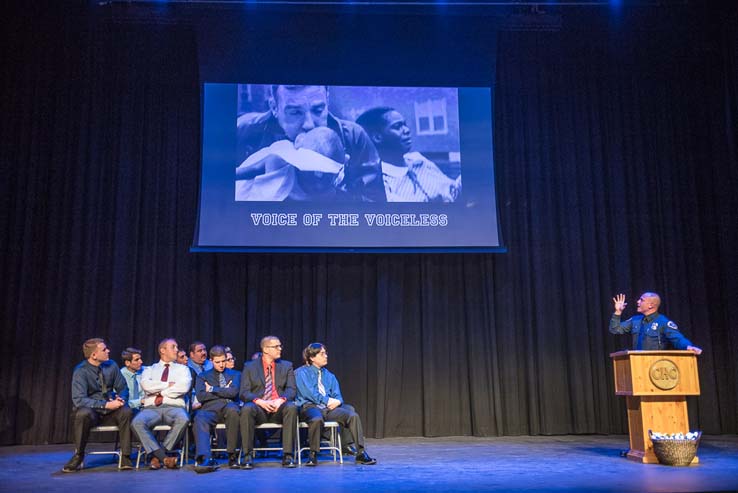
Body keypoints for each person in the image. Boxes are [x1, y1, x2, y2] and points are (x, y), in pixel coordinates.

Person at [236, 85, 386, 202]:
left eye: (318, 110)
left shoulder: (353, 137)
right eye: (295, 112)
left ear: (327, 101)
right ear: (274, 107)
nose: (309, 124)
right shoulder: (243, 131)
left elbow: (373, 205)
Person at [295, 342, 376, 466]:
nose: (326, 356)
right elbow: (309, 394)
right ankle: (313, 454)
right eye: (322, 354)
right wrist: (328, 401)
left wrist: (337, 401)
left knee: (352, 415)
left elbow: (337, 395)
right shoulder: (301, 373)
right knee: (316, 419)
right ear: (312, 357)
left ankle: (360, 452)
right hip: (309, 407)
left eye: (326, 353)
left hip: (328, 409)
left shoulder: (329, 375)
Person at [356, 106, 461, 202]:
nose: (406, 130)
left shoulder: (419, 161)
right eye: (397, 127)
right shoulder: (377, 181)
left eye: (405, 125)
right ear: (377, 137)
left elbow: (452, 191)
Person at [63, 338, 133, 472]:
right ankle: (78, 456)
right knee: (82, 413)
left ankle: (125, 456)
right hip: (93, 412)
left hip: (111, 411)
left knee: (126, 411)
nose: (108, 351)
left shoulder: (111, 365)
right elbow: (79, 400)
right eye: (104, 349)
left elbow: (123, 387)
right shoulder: (81, 371)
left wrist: (121, 398)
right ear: (94, 355)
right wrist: (105, 405)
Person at [239, 336, 298, 469]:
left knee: (291, 407)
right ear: (265, 349)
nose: (280, 349)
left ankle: (288, 455)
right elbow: (244, 392)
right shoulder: (250, 366)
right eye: (276, 346)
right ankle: (247, 455)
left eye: (280, 346)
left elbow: (291, 390)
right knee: (247, 408)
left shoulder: (286, 366)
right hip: (260, 408)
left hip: (279, 408)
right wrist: (259, 401)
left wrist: (280, 400)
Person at [131, 338, 192, 469]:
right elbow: (146, 386)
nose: (177, 349)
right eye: (173, 347)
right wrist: (168, 385)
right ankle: (164, 457)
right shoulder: (149, 369)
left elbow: (183, 387)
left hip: (174, 406)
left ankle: (157, 456)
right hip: (151, 408)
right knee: (137, 422)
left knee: (184, 418)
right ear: (162, 350)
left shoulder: (183, 369)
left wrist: (161, 392)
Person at [193, 345, 242, 471]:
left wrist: (212, 389)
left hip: (229, 406)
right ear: (211, 361)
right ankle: (205, 458)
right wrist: (225, 390)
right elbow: (201, 396)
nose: (221, 365)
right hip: (210, 409)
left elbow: (234, 393)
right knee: (200, 417)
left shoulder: (235, 374)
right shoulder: (203, 376)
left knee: (233, 411)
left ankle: (232, 455)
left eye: (223, 361)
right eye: (217, 362)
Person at [609, 293, 702, 353]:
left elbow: (677, 339)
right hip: (637, 364)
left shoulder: (663, 322)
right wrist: (618, 312)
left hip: (656, 365)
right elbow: (615, 329)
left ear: (651, 305)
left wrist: (688, 346)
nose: (638, 302)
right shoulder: (635, 320)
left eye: (641, 300)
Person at [120, 347, 145, 413]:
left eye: (140, 359)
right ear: (127, 363)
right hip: (127, 411)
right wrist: (140, 401)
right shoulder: (120, 376)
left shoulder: (145, 371)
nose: (141, 362)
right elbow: (121, 402)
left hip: (145, 409)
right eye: (137, 360)